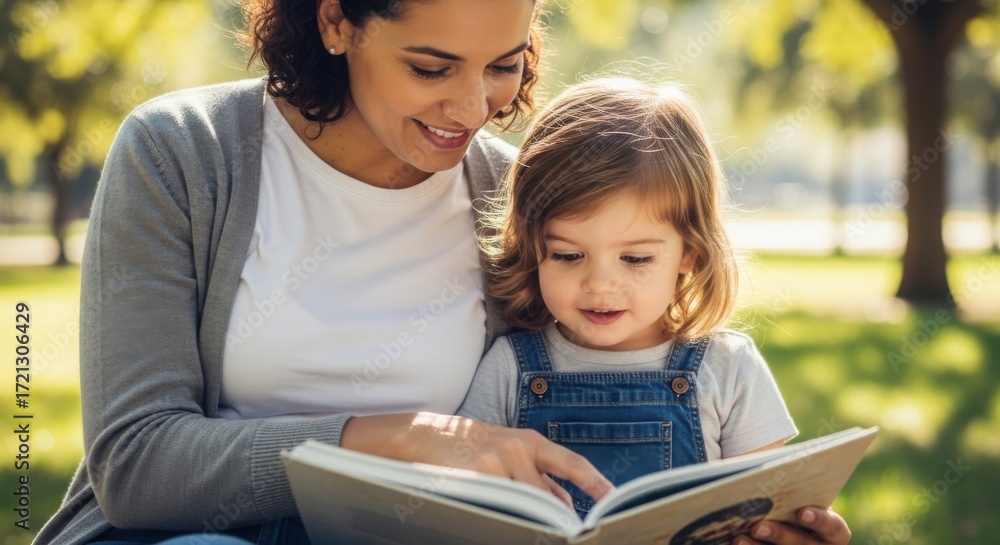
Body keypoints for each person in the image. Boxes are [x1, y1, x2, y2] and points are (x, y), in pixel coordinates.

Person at [34, 0, 851, 543]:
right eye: (431, 68)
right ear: (335, 21)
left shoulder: (515, 199)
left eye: (503, 64)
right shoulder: (184, 155)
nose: (471, 108)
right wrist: (394, 437)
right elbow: (137, 466)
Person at [457, 77, 830, 542]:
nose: (600, 284)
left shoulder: (729, 369)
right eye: (568, 255)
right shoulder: (510, 368)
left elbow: (769, 511)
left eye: (635, 259)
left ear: (689, 253)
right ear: (532, 249)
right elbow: (465, 499)